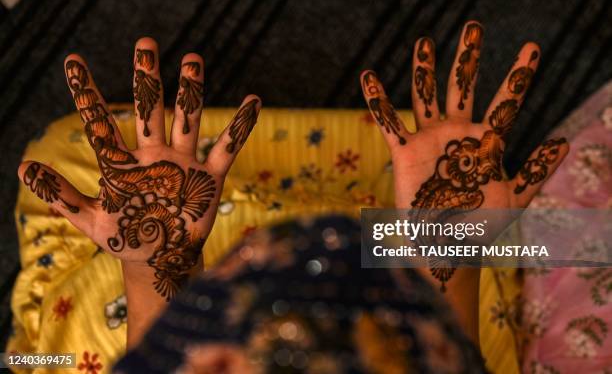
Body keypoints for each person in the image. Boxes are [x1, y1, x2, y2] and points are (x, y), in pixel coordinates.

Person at [18, 21, 568, 372]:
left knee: (64, 149)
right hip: (401, 319)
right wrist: (446, 249)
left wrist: (158, 267)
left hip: (205, 299)